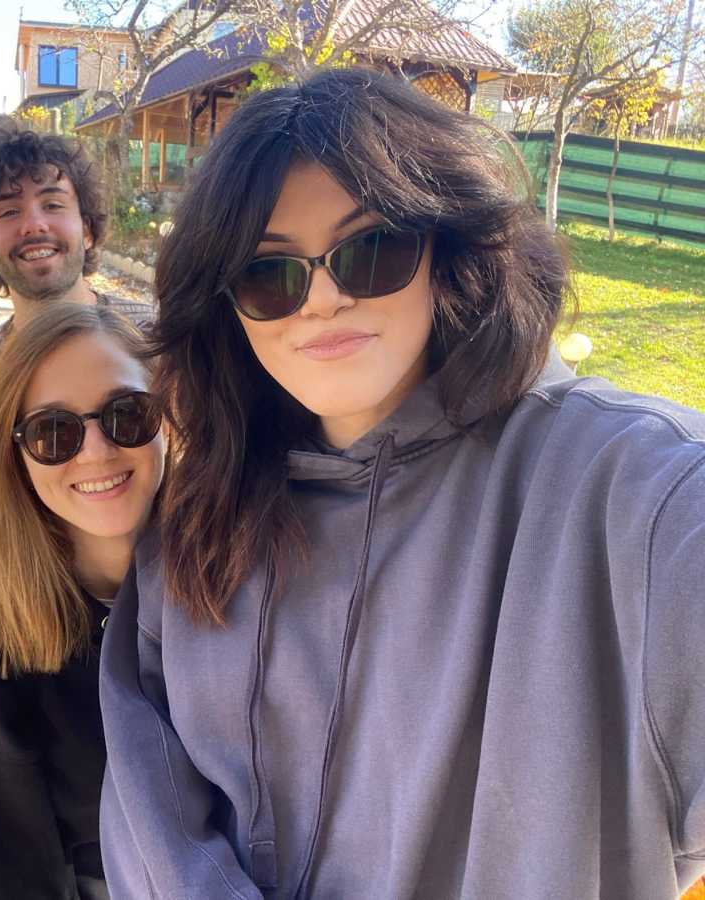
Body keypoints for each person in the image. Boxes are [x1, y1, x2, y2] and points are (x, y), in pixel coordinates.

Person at [97, 68, 705, 899]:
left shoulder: (632, 496)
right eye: (269, 273)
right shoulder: (203, 505)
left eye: (371, 250)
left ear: (444, 251)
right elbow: (147, 794)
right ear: (226, 303)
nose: (322, 299)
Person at [0, 303, 166, 899]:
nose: (96, 451)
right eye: (53, 432)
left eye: (128, 414)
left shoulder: (223, 591)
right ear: (12, 455)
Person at [0, 122, 151, 469]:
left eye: (53, 205)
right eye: (9, 212)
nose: (34, 225)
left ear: (87, 230)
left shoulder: (158, 339)